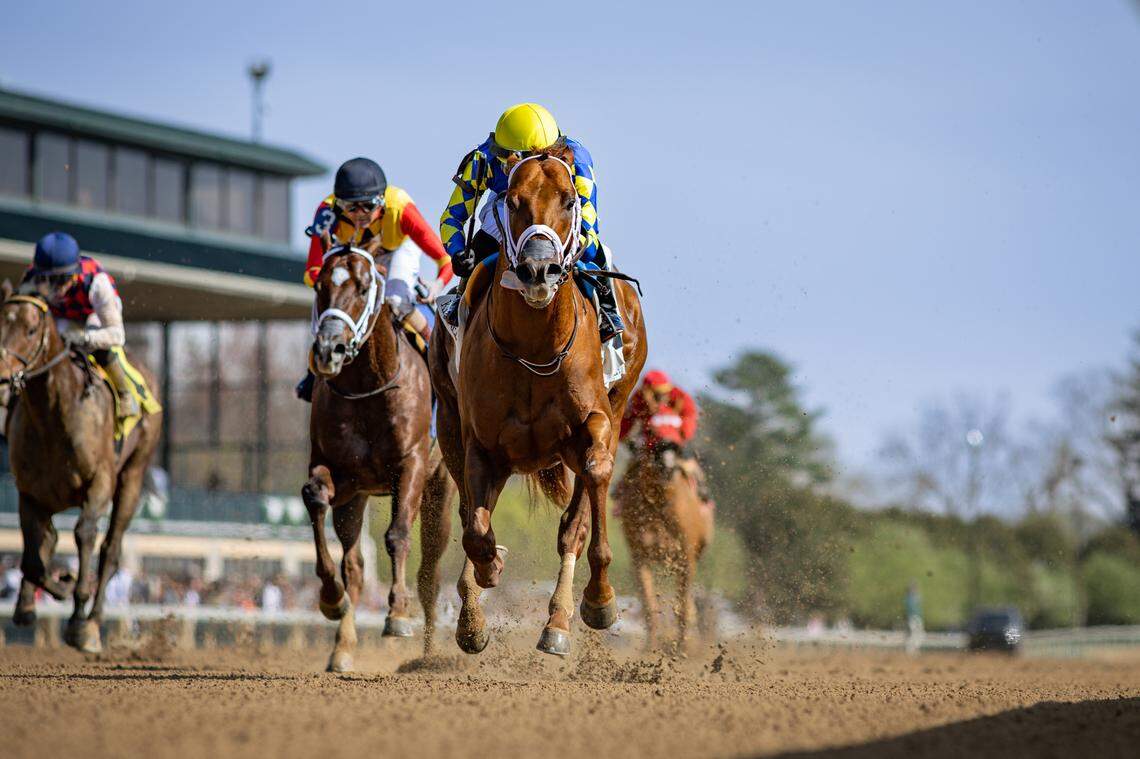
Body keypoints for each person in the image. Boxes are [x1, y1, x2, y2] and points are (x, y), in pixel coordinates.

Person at [439, 103, 625, 343]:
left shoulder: (577, 157)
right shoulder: (482, 159)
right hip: (510, 203)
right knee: (481, 244)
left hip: (557, 206)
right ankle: (461, 299)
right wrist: (458, 253)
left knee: (592, 250)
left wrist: (579, 243)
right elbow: (452, 217)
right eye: (514, 159)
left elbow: (589, 214)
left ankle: (608, 310)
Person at [296, 157, 454, 402]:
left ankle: (438, 354)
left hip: (397, 250)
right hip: (355, 255)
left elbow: (445, 259)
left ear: (381, 201)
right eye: (351, 207)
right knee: (328, 301)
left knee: (395, 299)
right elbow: (312, 272)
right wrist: (331, 284)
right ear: (338, 204)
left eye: (368, 206)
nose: (359, 215)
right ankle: (313, 370)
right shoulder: (326, 212)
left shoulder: (401, 208)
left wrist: (438, 284)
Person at [19, 232, 144, 418]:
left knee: (97, 346)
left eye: (61, 280)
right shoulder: (31, 278)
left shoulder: (98, 284)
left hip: (93, 315)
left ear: (75, 274)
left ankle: (124, 392)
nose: (54, 288)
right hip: (61, 315)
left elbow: (117, 334)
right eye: (47, 279)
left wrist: (84, 337)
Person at [619, 369, 711, 503]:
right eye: (658, 393)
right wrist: (621, 436)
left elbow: (690, 414)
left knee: (692, 467)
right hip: (649, 446)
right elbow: (626, 421)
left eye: (665, 391)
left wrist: (685, 432)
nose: (663, 396)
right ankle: (621, 493)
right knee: (633, 467)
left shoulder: (679, 396)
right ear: (647, 391)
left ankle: (703, 495)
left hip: (676, 444)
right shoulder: (638, 399)